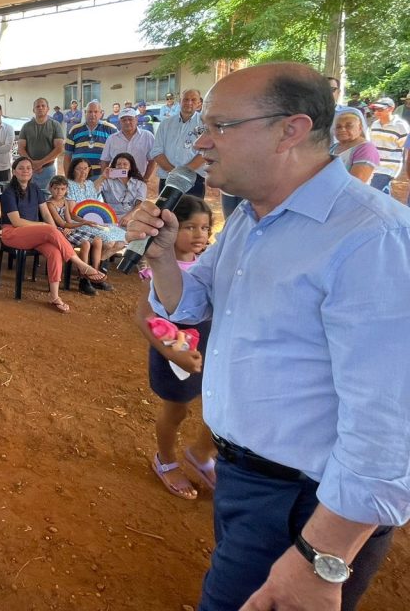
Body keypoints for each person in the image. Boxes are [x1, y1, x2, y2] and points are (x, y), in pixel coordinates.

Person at [129, 62, 409, 610]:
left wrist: (320, 558)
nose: (202, 142)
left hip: (307, 506)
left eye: (220, 126)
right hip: (247, 482)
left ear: (291, 130)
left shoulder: (372, 240)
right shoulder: (252, 217)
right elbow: (192, 300)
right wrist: (162, 258)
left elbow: (390, 430)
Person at [134, 195, 217, 500]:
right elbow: (144, 317)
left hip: (207, 349)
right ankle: (165, 460)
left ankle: (201, 454)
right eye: (190, 227)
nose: (199, 235)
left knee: (217, 410)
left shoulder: (210, 266)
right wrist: (172, 353)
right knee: (176, 411)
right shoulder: (159, 269)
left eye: (205, 228)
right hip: (173, 357)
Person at [0, 157, 106, 314]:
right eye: (21, 168)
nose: (25, 170)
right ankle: (81, 265)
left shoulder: (35, 189)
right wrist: (45, 226)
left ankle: (54, 297)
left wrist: (53, 230)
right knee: (48, 229)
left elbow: (47, 215)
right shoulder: (9, 192)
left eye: (28, 168)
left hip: (34, 235)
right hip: (12, 233)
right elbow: (16, 221)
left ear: (32, 171)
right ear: (14, 171)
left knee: (55, 252)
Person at [42, 175, 106, 296]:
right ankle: (84, 279)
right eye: (56, 188)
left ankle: (95, 272)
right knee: (86, 243)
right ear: (50, 189)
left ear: (66, 189)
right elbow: (61, 223)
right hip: (59, 231)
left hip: (69, 228)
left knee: (98, 240)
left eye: (62, 189)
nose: (59, 191)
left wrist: (83, 221)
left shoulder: (65, 201)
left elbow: (70, 218)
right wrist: (83, 222)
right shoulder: (50, 204)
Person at [151, 88, 206, 197]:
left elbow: (206, 152)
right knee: (166, 212)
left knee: (192, 214)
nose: (189, 103)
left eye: (193, 100)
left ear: (199, 103)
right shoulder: (166, 124)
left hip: (194, 180)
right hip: (167, 179)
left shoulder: (205, 123)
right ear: (180, 101)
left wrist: (183, 173)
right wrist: (174, 173)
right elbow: (156, 151)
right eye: (186, 99)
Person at [18, 97, 65, 193]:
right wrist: (32, 164)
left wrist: (40, 163)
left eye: (43, 106)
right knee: (29, 196)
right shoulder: (26, 126)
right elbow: (21, 148)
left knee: (46, 197)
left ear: (48, 108)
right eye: (37, 106)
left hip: (48, 169)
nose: (40, 108)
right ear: (33, 110)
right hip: (29, 170)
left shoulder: (55, 125)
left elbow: (59, 148)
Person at [64, 101, 117, 180]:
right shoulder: (74, 130)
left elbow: (118, 154)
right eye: (90, 111)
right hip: (79, 177)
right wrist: (69, 178)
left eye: (96, 111)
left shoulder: (111, 129)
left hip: (102, 177)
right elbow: (67, 157)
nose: (93, 114)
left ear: (101, 113)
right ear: (85, 113)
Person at [100, 108, 157, 180]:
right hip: (116, 181)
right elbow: (104, 161)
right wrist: (106, 179)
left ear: (136, 119)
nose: (127, 122)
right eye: (124, 120)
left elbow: (152, 160)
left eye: (130, 119)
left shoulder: (147, 136)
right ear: (120, 122)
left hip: (138, 179)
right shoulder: (112, 139)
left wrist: (145, 179)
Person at [366, 96, 408, 193]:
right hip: (374, 165)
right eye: (374, 109)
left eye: (380, 109)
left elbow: (405, 146)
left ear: (391, 109)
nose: (376, 112)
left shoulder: (400, 126)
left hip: (390, 166)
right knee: (382, 193)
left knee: (373, 191)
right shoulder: (375, 124)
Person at [329, 106, 378, 184]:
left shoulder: (366, 149)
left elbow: (355, 183)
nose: (342, 129)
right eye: (338, 127)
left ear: (360, 128)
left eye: (349, 126)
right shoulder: (333, 148)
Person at [100, 152, 148, 222]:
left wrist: (128, 217)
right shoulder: (107, 181)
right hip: (110, 217)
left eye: (125, 164)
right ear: (114, 166)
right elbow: (92, 192)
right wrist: (102, 177)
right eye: (118, 164)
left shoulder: (140, 184)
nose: (121, 166)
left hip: (132, 217)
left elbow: (140, 204)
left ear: (130, 167)